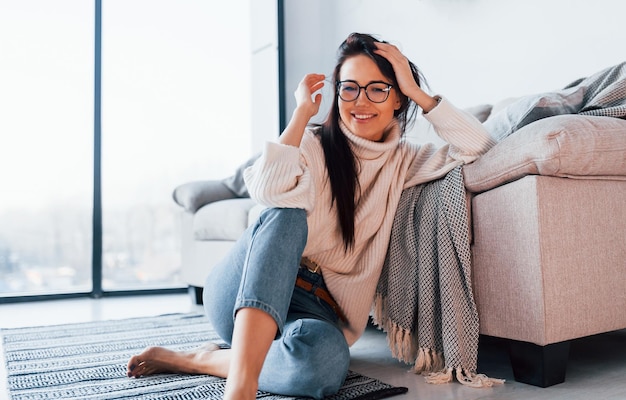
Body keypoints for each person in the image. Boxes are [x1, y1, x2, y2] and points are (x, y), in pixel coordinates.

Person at [126, 32, 496, 399]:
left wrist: (417, 91)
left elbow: (479, 147)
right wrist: (302, 113)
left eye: (377, 89)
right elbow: (268, 192)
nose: (361, 101)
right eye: (349, 89)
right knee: (287, 210)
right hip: (241, 290)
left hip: (317, 308)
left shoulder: (407, 160)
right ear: (336, 96)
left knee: (321, 366)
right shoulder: (313, 143)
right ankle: (241, 387)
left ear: (396, 97)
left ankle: (203, 361)